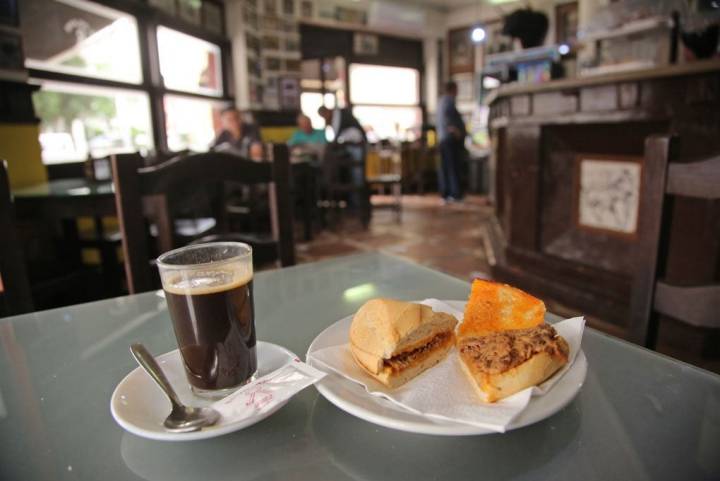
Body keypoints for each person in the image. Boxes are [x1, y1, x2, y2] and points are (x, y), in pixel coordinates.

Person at [436, 81, 467, 203]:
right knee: (452, 167)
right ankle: (454, 194)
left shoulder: (441, 101)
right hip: (450, 140)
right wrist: (456, 131)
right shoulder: (448, 101)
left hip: (444, 140)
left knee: (446, 167)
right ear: (453, 89)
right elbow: (448, 120)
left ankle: (446, 194)